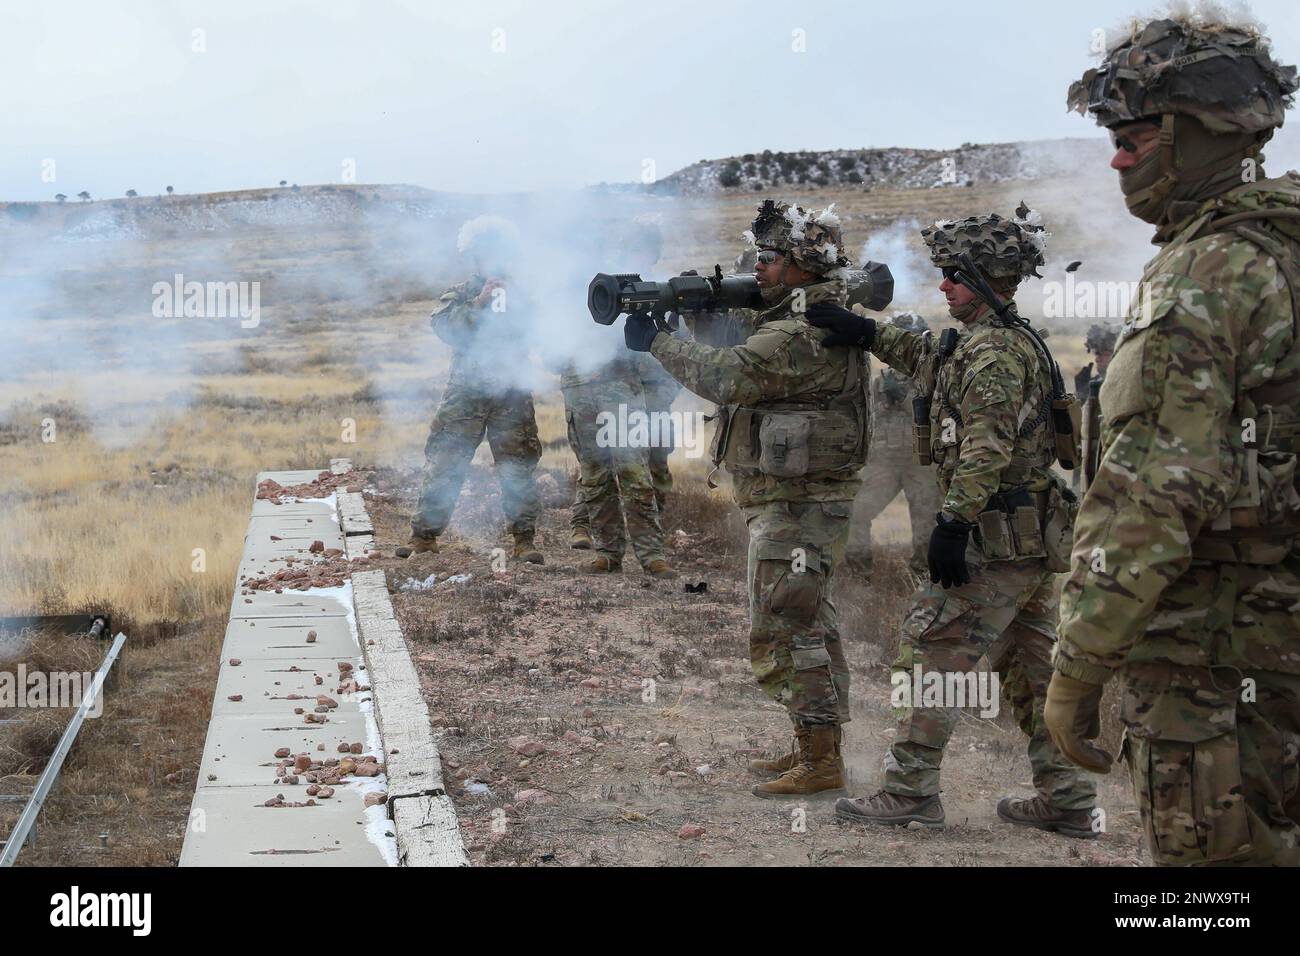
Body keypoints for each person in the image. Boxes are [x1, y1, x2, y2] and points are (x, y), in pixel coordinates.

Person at [1048, 9, 1300, 865]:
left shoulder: (1206, 270)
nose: (1118, 159)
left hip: (1213, 660)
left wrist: (1080, 662)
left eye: (1136, 135)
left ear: (1203, 133)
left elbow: (1155, 490)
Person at [808, 206, 1098, 834]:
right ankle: (1069, 799)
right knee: (1032, 668)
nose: (943, 286)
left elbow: (985, 448)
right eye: (943, 275)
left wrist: (952, 523)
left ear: (990, 280)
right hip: (1025, 540)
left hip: (992, 542)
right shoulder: (993, 340)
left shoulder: (994, 354)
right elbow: (926, 354)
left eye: (956, 277)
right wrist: (862, 329)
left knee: (933, 652)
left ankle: (911, 790)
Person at [626, 200, 868, 798]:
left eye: (769, 257)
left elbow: (730, 376)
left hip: (799, 503)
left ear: (802, 266)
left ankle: (821, 760)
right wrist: (699, 313)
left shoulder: (801, 328)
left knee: (788, 623)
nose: (757, 267)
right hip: (795, 498)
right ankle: (815, 746)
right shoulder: (803, 314)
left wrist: (658, 341)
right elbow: (741, 350)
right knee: (809, 617)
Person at [399, 216, 544, 564]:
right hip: (465, 395)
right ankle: (424, 539)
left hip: (511, 395)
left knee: (518, 466)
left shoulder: (522, 296)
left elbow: (543, 332)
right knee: (445, 463)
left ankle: (524, 542)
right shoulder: (461, 294)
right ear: (475, 258)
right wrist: (479, 303)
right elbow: (445, 328)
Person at [844, 312, 942, 577]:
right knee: (855, 513)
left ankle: (923, 581)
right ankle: (858, 576)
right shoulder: (881, 380)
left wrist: (904, 396)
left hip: (921, 462)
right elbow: (870, 418)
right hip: (884, 461)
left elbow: (937, 420)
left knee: (928, 529)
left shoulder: (937, 376)